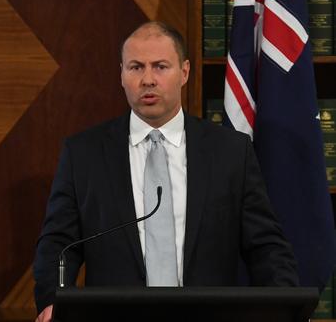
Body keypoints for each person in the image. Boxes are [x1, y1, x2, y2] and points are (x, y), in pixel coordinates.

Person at [32, 21, 298, 322]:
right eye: (135, 67)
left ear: (184, 72)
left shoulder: (230, 152)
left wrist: (283, 306)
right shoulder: (84, 154)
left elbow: (265, 245)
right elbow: (58, 244)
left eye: (160, 67)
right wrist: (52, 300)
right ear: (121, 74)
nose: (148, 79)